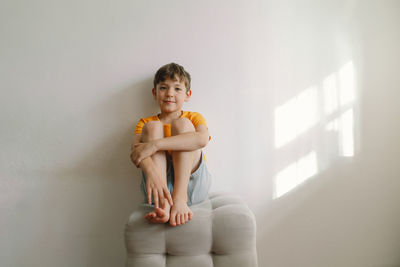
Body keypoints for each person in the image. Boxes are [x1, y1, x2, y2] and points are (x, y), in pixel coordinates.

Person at [130, 63, 211, 227]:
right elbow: (136, 154)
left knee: (183, 125)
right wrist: (152, 172)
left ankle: (180, 199)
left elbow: (202, 139)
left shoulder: (194, 117)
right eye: (163, 88)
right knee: (152, 127)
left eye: (177, 89)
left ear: (188, 94)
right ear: (154, 92)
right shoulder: (145, 123)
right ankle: (164, 205)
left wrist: (155, 145)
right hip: (159, 188)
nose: (169, 94)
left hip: (191, 184)